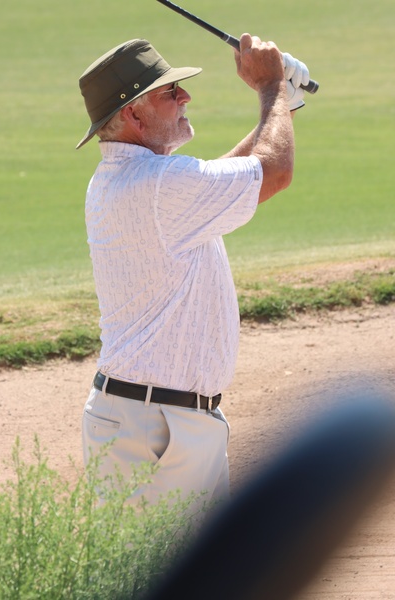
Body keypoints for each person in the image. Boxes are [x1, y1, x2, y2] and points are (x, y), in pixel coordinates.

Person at [76, 35, 309, 510]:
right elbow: (274, 171)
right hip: (156, 428)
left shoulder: (137, 178)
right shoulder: (158, 185)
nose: (185, 96)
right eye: (169, 92)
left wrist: (285, 105)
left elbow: (225, 178)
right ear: (134, 114)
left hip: (157, 420)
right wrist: (270, 89)